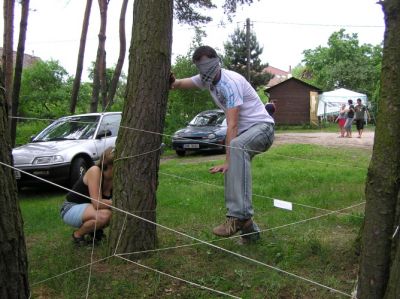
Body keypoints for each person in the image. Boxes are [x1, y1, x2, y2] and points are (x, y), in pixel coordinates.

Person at [170, 45, 275, 241]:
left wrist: (227, 160)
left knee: (236, 149)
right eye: (200, 66)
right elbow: (183, 84)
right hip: (246, 133)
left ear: (217, 62)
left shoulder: (230, 83)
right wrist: (172, 82)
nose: (205, 70)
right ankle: (251, 233)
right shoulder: (206, 80)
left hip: (262, 129)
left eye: (207, 64)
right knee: (235, 166)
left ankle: (239, 216)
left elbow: (232, 125)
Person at [60, 147, 114, 245]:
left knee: (111, 213)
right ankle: (78, 235)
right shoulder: (95, 171)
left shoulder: (116, 179)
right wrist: (116, 203)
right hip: (70, 208)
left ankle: (95, 231)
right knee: (105, 215)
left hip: (89, 209)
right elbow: (97, 203)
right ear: (107, 165)